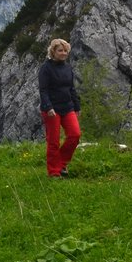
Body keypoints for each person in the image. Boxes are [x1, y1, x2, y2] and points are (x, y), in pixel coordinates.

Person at [38, 38, 81, 178]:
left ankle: (61, 163)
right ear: (53, 52)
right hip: (52, 109)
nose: (63, 53)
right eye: (60, 51)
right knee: (53, 141)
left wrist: (77, 106)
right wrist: (48, 107)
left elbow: (71, 88)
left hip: (68, 107)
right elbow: (43, 90)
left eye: (65, 51)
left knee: (75, 135)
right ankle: (54, 172)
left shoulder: (68, 67)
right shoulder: (46, 68)